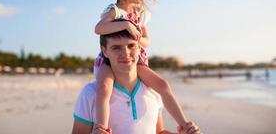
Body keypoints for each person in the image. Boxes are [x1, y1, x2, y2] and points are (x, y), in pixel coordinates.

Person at [93, 0, 193, 132]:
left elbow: (146, 40)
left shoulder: (140, 13)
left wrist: (137, 40)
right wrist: (126, 24)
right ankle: (100, 128)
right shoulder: (115, 11)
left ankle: (185, 125)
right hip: (110, 60)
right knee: (104, 88)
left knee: (163, 86)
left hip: (136, 60)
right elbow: (99, 29)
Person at [72, 26, 201, 134]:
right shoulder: (91, 94)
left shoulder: (154, 90)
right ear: (104, 51)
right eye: (116, 48)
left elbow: (159, 131)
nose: (126, 53)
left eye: (131, 45)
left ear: (140, 48)